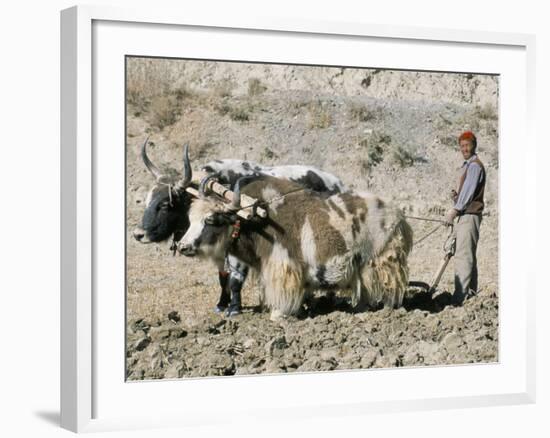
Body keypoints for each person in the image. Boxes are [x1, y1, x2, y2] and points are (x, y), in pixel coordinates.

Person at [444, 131, 486, 305]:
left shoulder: (474, 166)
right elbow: (466, 193)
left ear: (474, 145)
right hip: (467, 215)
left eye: (467, 145)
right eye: (462, 146)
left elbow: (468, 194)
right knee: (468, 254)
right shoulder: (468, 166)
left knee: (463, 255)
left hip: (469, 216)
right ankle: (470, 295)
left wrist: (454, 211)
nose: (465, 149)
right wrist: (457, 197)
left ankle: (459, 298)